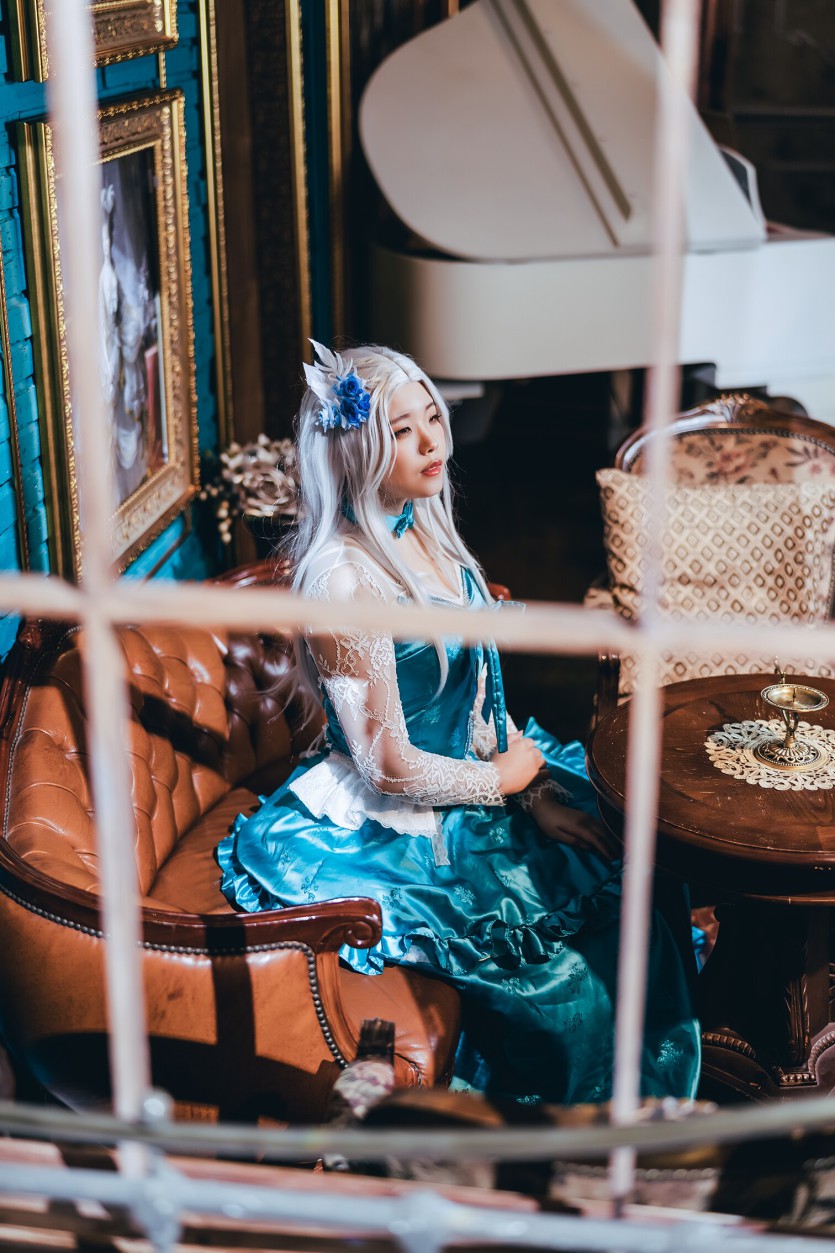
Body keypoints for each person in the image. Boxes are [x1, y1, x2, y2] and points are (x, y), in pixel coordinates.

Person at [217, 342, 700, 1105]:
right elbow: (388, 767)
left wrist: (534, 791)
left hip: (479, 776)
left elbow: (478, 696)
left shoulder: (419, 525)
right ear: (354, 450)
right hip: (399, 818)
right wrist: (500, 781)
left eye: (432, 418)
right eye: (401, 430)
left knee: (640, 866)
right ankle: (554, 1143)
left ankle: (660, 1107)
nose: (431, 441)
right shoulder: (343, 580)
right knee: (567, 985)